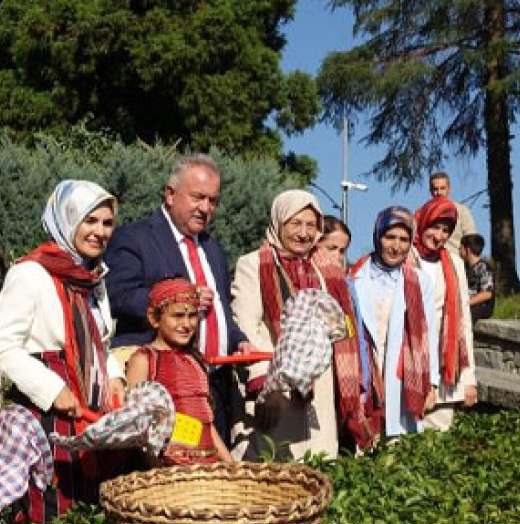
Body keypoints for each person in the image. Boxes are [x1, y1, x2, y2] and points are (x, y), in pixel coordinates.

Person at [0, 179, 132, 523]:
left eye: (107, 223)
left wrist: (114, 377)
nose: (100, 231)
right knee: (51, 506)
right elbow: (4, 346)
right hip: (48, 410)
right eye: (90, 221)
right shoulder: (29, 273)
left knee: (90, 507)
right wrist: (52, 391)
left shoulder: (93, 279)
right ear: (67, 220)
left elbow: (102, 342)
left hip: (89, 405)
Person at [103, 154, 250, 447]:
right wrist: (176, 298)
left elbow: (220, 312)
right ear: (170, 194)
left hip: (214, 385)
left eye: (212, 200)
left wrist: (239, 340)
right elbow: (118, 295)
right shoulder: (134, 238)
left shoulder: (213, 249)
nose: (206, 208)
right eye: (197, 197)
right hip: (162, 384)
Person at [231, 190, 365, 460]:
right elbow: (246, 326)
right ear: (278, 223)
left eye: (311, 225)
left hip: (317, 388)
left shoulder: (322, 268)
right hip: (272, 387)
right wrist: (266, 389)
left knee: (318, 466)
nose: (304, 233)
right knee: (271, 471)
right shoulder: (253, 264)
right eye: (295, 223)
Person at [349, 207, 440, 440]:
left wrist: (432, 382)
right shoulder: (352, 278)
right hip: (364, 373)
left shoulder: (420, 281)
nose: (396, 246)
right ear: (377, 237)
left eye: (404, 239)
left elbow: (429, 334)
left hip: (402, 379)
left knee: (398, 450)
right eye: (389, 237)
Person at [125, 278, 234, 465]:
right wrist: (158, 470)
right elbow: (137, 426)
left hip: (208, 466)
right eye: (177, 316)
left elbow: (206, 425)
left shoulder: (195, 361)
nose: (187, 324)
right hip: (168, 470)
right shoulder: (144, 360)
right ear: (154, 318)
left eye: (192, 316)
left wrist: (231, 466)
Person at [413, 197, 478, 431]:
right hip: (407, 365)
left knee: (436, 449)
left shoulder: (453, 263)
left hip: (443, 369)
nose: (439, 236)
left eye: (446, 230)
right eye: (435, 227)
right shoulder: (405, 256)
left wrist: (469, 379)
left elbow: (463, 322)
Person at [428, 171, 477, 253]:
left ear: (449, 189)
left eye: (442, 188)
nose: (439, 192)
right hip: (430, 262)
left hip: (456, 261)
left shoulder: (461, 211)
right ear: (430, 191)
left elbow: (471, 238)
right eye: (435, 189)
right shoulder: (425, 213)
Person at [459, 233, 495, 321]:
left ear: (467, 249)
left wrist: (465, 303)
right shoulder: (465, 267)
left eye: (461, 248)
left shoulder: (484, 267)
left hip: (480, 307)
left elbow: (487, 293)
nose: (459, 250)